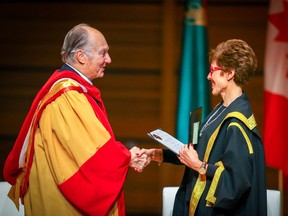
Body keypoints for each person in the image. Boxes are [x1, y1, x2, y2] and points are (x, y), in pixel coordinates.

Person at [3, 23, 149, 216]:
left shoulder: (70, 89)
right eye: (103, 53)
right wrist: (127, 157)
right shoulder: (67, 96)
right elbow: (91, 154)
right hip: (59, 201)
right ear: (81, 56)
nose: (109, 59)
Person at [144, 39, 267, 215]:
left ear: (229, 73)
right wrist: (159, 154)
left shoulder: (237, 123)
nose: (208, 76)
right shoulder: (222, 109)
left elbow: (236, 182)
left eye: (212, 71)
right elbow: (200, 152)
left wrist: (199, 166)